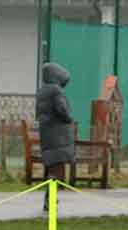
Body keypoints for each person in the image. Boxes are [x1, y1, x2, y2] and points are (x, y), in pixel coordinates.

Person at [36, 61, 76, 211]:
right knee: (57, 169)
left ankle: (49, 199)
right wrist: (70, 119)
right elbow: (62, 110)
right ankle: (51, 200)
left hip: (47, 134)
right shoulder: (56, 91)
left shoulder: (42, 92)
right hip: (59, 136)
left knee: (51, 168)